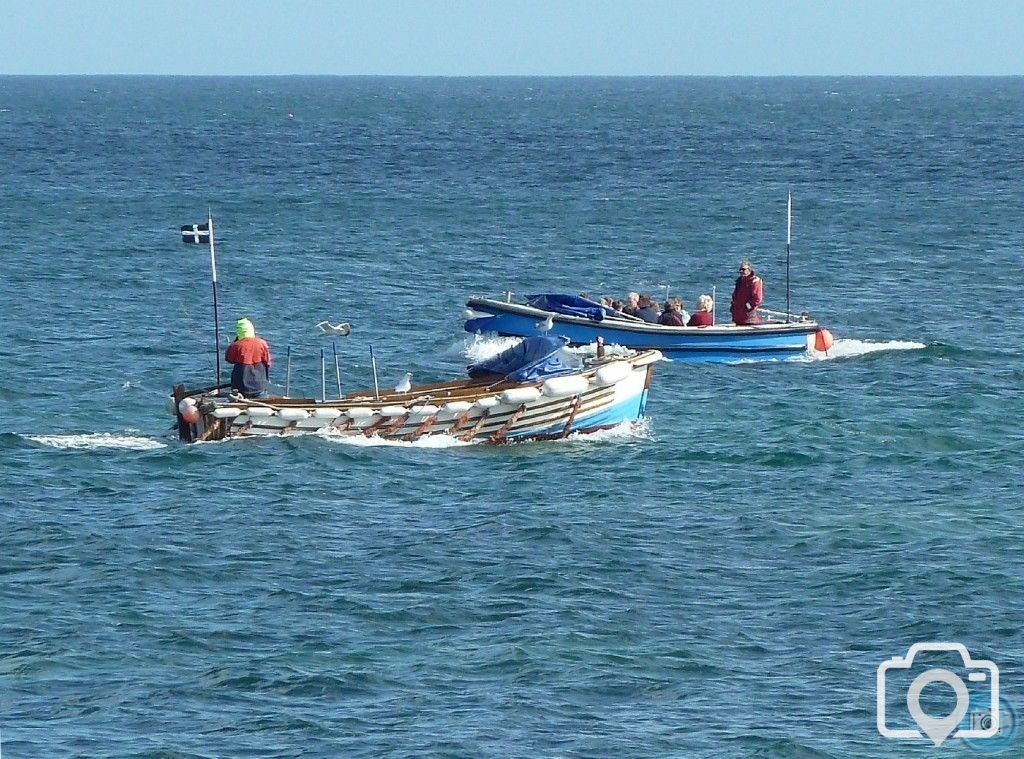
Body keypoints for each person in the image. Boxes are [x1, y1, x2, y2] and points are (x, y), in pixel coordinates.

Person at [225, 317, 272, 397]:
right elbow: (268, 362)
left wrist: (236, 342)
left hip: (241, 388)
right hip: (260, 386)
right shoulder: (262, 343)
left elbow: (229, 359)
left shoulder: (236, 345)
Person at [730, 260, 763, 325]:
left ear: (749, 270)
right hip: (738, 318)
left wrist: (747, 306)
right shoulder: (739, 281)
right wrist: (733, 307)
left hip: (749, 319)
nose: (741, 271)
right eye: (740, 270)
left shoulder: (754, 281)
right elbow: (735, 296)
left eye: (743, 269)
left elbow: (757, 299)